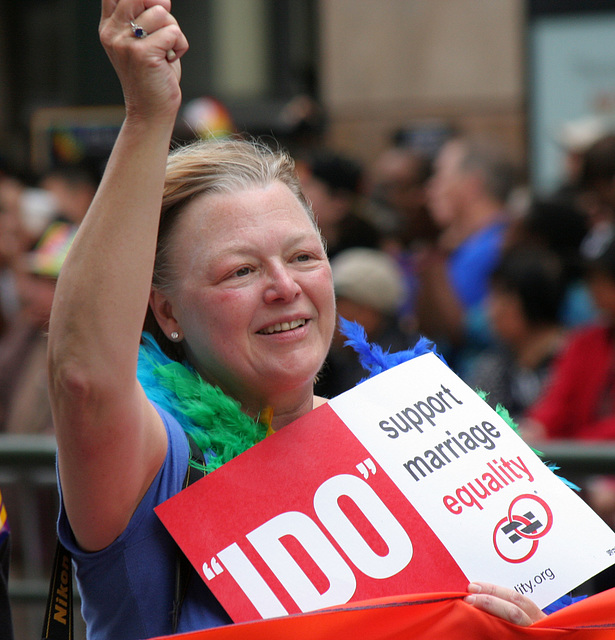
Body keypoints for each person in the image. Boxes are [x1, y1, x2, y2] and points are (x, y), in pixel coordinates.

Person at [46, 2, 546, 638]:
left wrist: (526, 626)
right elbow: (85, 379)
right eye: (241, 271)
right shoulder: (160, 461)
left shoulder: (405, 440)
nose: (285, 287)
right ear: (166, 310)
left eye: (304, 257)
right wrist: (148, 118)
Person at [415, 134, 519, 375]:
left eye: (439, 175)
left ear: (472, 185)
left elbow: (458, 330)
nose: (429, 189)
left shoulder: (498, 245)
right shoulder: (465, 245)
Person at [464, 246, 568, 420]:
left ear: (532, 299)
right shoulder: (494, 365)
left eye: (499, 297)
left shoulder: (575, 359)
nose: (490, 310)